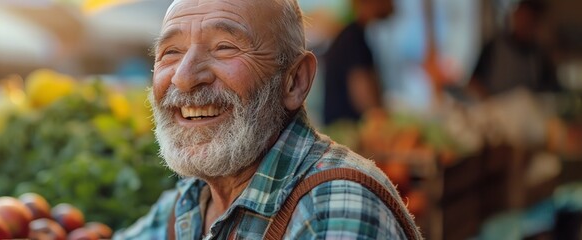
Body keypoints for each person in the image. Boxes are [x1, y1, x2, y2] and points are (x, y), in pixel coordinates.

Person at [115, 0, 420, 239]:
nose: (184, 78)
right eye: (170, 52)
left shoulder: (330, 209)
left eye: (225, 47)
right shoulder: (193, 201)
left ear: (295, 81)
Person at [322, 0, 393, 125]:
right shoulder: (353, 39)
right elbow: (364, 99)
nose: (393, 4)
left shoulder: (352, 35)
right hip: (346, 133)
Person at [468, 0, 559, 98]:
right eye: (523, 17)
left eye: (530, 19)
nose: (525, 23)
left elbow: (552, 90)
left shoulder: (540, 55)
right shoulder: (494, 47)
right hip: (495, 108)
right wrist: (488, 101)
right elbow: (473, 82)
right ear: (515, 16)